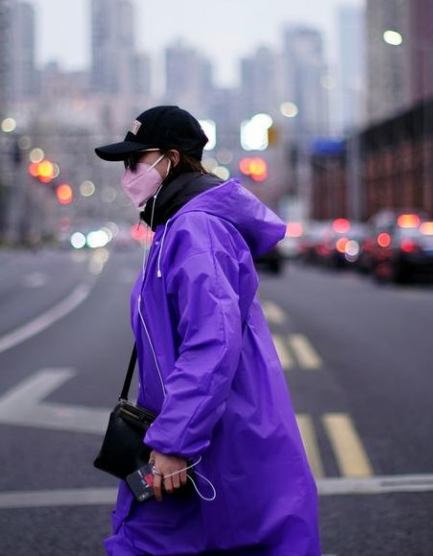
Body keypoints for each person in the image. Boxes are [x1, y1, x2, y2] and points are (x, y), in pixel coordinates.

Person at [95, 105, 321, 555]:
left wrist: (175, 442)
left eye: (137, 160)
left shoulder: (196, 230)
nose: (129, 172)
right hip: (198, 436)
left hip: (218, 442)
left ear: (172, 159)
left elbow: (212, 342)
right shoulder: (175, 226)